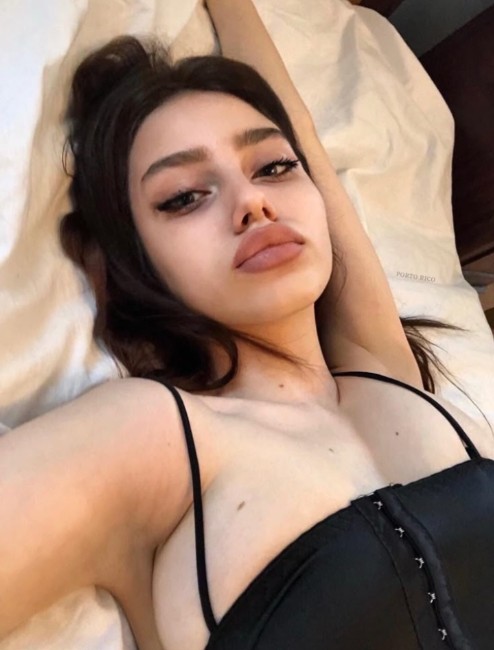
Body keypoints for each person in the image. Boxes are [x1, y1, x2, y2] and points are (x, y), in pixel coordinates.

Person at [1, 1, 494, 649]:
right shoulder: (155, 438)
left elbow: (304, 138)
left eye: (273, 167)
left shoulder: (385, 371)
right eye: (184, 197)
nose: (253, 202)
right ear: (129, 264)